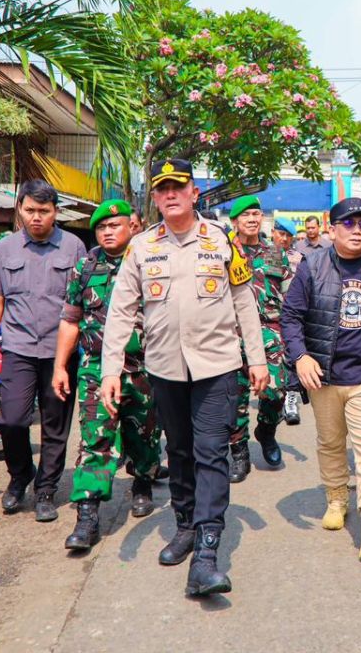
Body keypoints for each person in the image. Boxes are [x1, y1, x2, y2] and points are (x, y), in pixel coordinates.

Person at [101, 158, 269, 598]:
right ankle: (185, 526)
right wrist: (110, 369)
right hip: (165, 368)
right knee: (177, 450)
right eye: (163, 189)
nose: (171, 193)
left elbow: (244, 301)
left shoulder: (221, 241)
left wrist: (258, 359)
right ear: (155, 199)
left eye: (179, 186)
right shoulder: (141, 247)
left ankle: (207, 555)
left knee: (210, 451)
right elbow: (120, 311)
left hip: (217, 366)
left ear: (194, 192)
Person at [280, 197, 361, 562]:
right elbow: (290, 317)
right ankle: (337, 497)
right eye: (348, 224)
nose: (356, 230)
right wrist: (301, 357)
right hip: (326, 376)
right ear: (331, 228)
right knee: (331, 442)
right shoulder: (313, 265)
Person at [50, 199, 162, 551]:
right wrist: (60, 366)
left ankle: (143, 481)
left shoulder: (151, 261)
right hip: (97, 369)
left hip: (145, 367)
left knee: (143, 434)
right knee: (95, 439)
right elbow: (70, 319)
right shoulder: (85, 267)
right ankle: (87, 514)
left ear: (133, 226)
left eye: (115, 226)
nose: (108, 232)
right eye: (101, 228)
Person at [0, 180, 85, 521]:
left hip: (61, 353)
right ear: (19, 209)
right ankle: (20, 475)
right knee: (11, 420)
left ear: (55, 212)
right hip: (18, 350)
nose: (36, 218)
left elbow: (83, 304)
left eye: (44, 211)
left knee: (56, 425)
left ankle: (46, 489)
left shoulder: (74, 247)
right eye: (30, 211)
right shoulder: (4, 249)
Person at [226, 195, 293, 482]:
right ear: (234, 222)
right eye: (246, 215)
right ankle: (239, 451)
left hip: (270, 332)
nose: (253, 219)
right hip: (232, 333)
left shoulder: (276, 253)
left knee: (275, 391)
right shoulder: (224, 252)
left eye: (256, 214)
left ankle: (266, 430)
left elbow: (291, 295)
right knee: (234, 398)